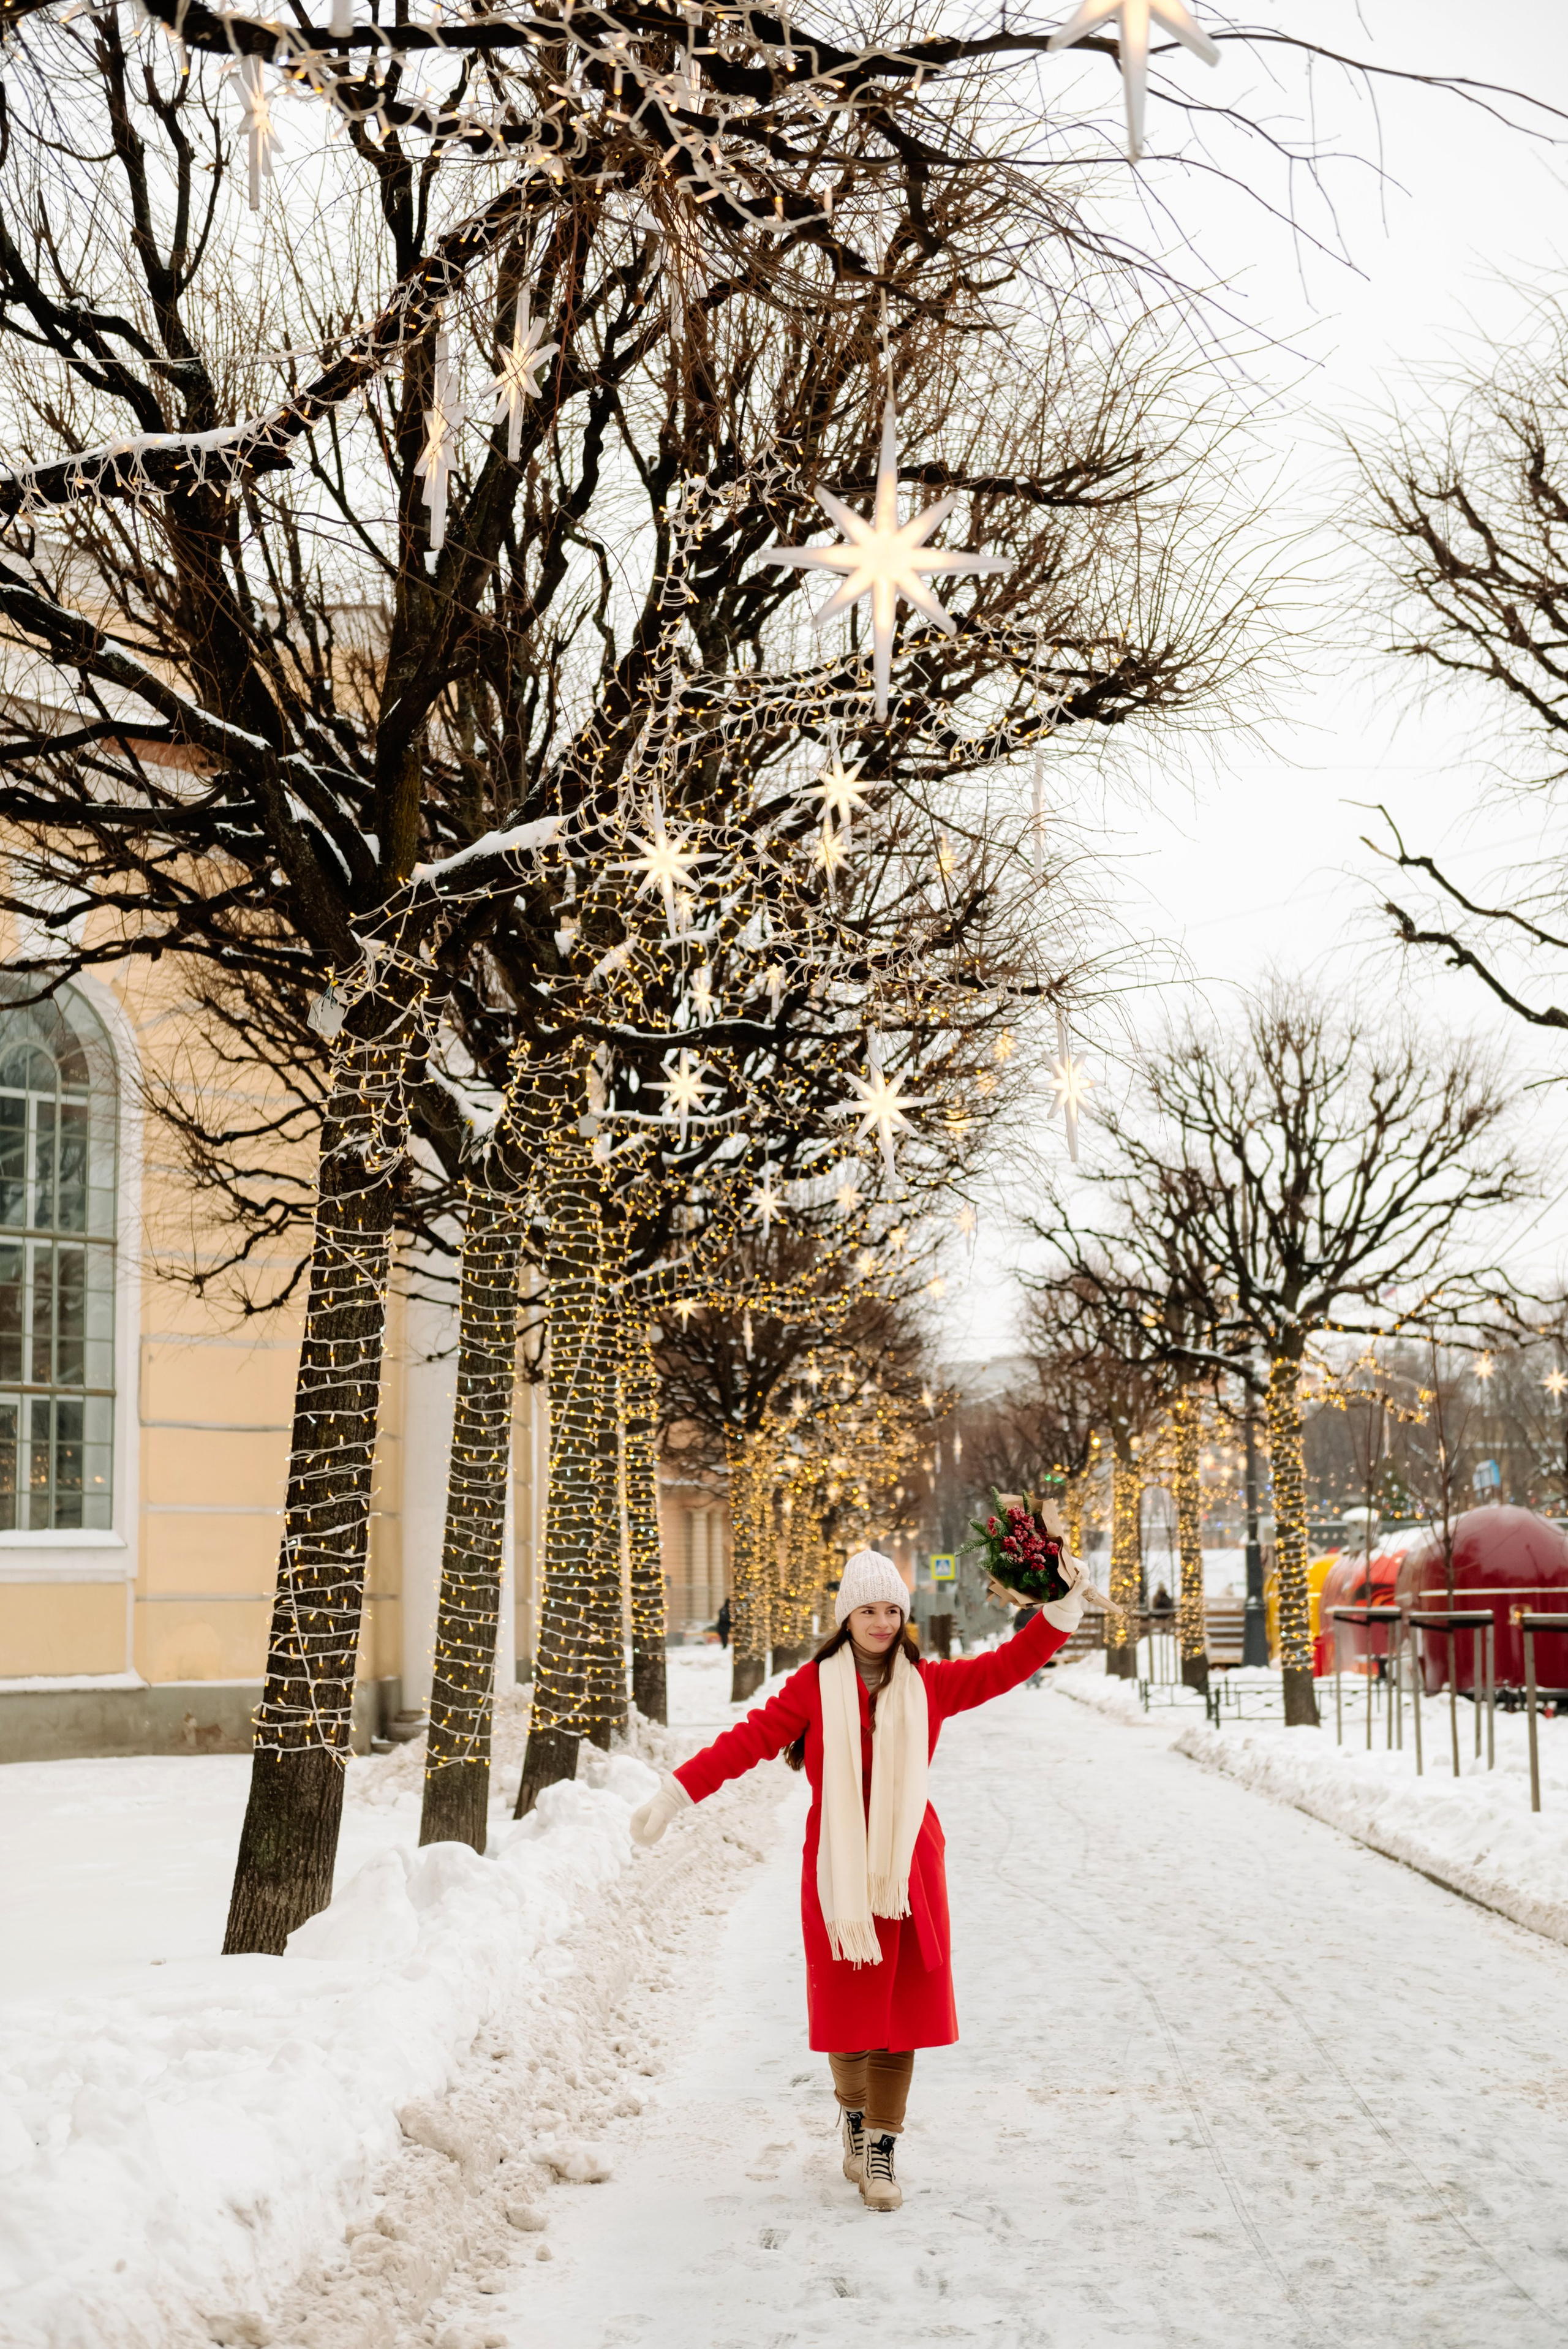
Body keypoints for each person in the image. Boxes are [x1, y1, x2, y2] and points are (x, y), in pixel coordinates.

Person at [629, 1544, 1086, 2212]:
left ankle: (881, 2145)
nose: (880, 1622)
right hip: (839, 1871)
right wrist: (674, 1794)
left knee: (900, 2017)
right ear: (846, 1617)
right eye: (867, 1610)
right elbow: (746, 1741)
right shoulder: (813, 1688)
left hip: (907, 1871)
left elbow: (1005, 1666)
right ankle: (852, 2112)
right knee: (849, 2018)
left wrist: (1060, 1613)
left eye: (891, 1610)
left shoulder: (928, 1683)